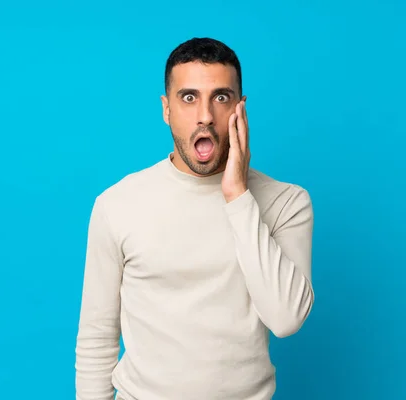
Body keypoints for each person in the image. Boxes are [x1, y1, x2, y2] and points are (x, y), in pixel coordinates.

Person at [75, 37, 315, 400]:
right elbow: (96, 336)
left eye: (221, 97)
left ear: (241, 109)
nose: (205, 115)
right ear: (166, 109)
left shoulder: (286, 202)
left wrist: (237, 195)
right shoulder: (118, 203)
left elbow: (286, 320)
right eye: (189, 98)